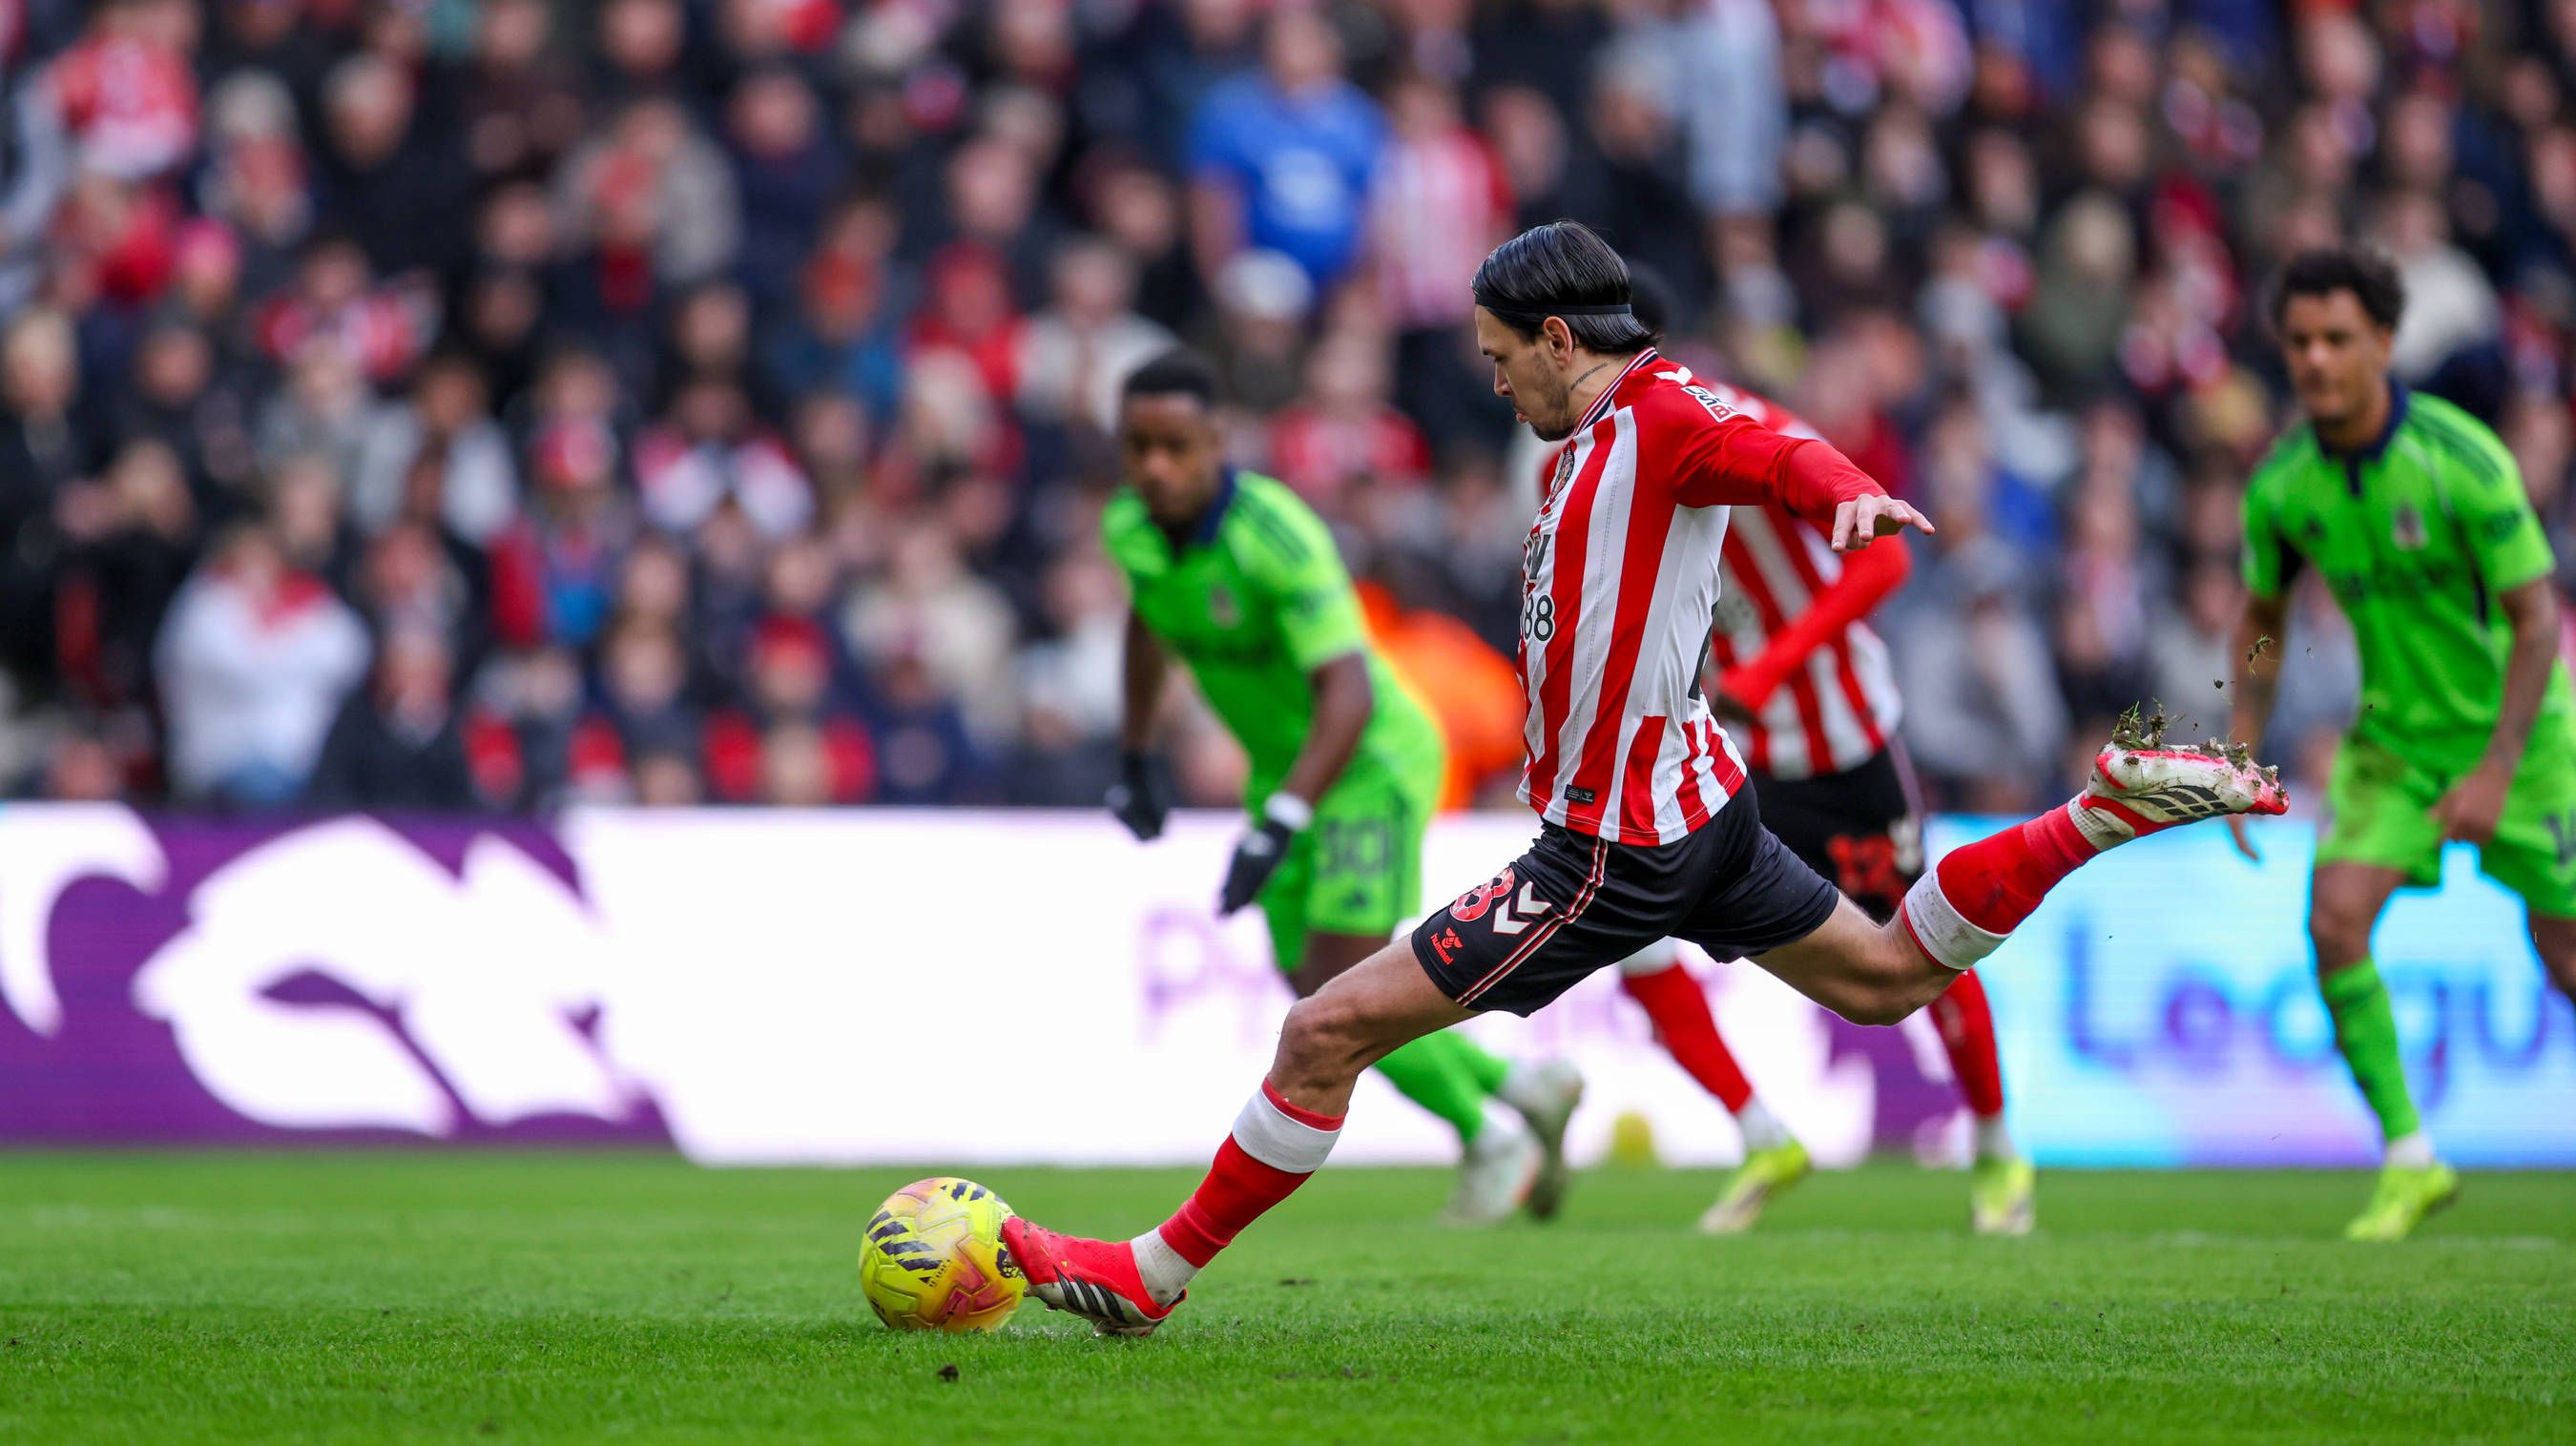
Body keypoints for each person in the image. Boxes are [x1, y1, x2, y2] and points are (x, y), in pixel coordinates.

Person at [1006, 222, 2284, 1334]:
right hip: (1700, 804)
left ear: (1559, 339)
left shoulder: (1660, 412)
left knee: (1323, 1024)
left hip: (1615, 849)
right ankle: (2099, 813)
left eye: (1504, 362)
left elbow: (1771, 453)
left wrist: (1847, 497)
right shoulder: (1597, 431)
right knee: (1894, 978)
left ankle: (1149, 1276)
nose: (1497, 388)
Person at [1101, 348, 1583, 1225]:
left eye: (1174, 445)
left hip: (1367, 762)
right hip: (1287, 771)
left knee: (1343, 979)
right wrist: (1134, 754)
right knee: (1312, 987)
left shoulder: (1275, 535)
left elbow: (1351, 692)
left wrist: (1279, 819)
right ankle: (1521, 1088)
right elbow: (1149, 621)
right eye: (1137, 447)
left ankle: (1487, 1133)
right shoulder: (1130, 529)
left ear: (1216, 439)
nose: (1155, 467)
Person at [1612, 377, 2034, 1237]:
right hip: (1741, 763)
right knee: (1635, 934)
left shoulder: (1747, 435)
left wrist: (1766, 670)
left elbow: (1886, 558)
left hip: (1845, 749)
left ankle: (1996, 1148)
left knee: (1924, 955)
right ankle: (1763, 1136)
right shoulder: (1606, 464)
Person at [2229, 244, 2576, 1242]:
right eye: (2298, 342)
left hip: (2521, 743)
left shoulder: (2464, 461)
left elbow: (2539, 623)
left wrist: (2498, 768)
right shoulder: (2283, 487)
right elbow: (2260, 614)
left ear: (2384, 342)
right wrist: (2244, 744)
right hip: (2395, 743)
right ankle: (2410, 1158)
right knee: (2334, 916)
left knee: (2565, 958)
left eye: (2338, 339)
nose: (2316, 360)